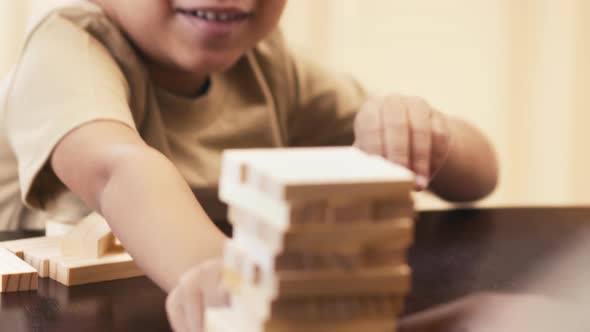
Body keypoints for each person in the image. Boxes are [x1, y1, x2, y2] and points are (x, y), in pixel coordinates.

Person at [0, 0, 497, 330]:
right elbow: (118, 171)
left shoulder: (265, 65)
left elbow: (481, 176)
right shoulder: (66, 48)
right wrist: (229, 277)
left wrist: (426, 133)